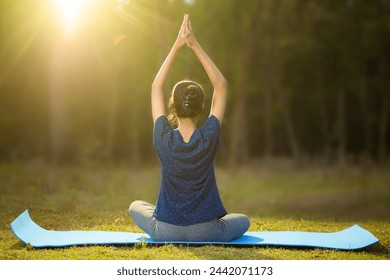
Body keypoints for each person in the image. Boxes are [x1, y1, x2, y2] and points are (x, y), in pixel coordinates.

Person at [129, 14, 250, 242]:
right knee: (243, 219)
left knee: (135, 205)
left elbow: (156, 87)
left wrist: (176, 46)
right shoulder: (209, 136)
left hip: (165, 229)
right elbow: (221, 86)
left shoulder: (163, 136)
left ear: (172, 106)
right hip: (207, 231)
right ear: (201, 108)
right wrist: (194, 45)